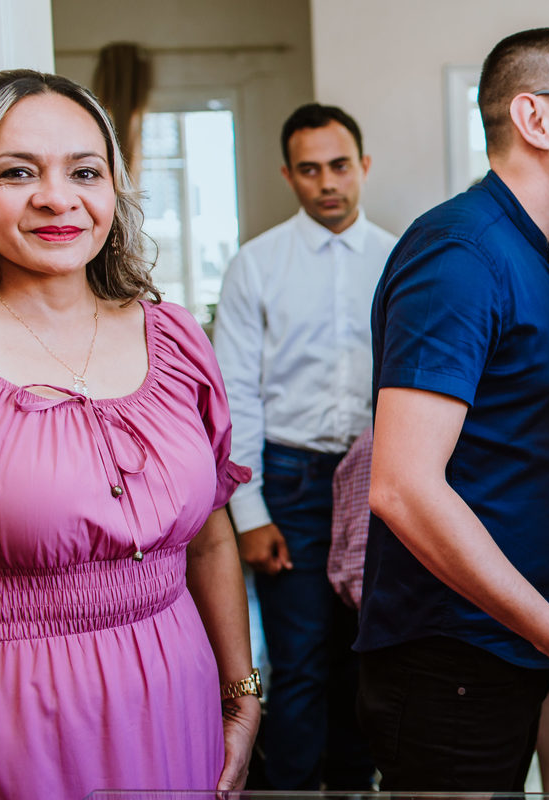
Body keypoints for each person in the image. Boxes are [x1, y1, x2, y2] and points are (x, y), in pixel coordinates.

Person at [357, 28, 549, 792]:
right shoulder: (461, 253)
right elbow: (403, 487)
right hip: (452, 656)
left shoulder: (525, 249)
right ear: (534, 118)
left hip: (498, 647)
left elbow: (507, 451)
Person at [0, 69, 258, 797]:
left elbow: (210, 536)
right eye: (17, 172)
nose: (57, 198)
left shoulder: (176, 338)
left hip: (177, 702)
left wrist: (242, 692)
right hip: (8, 725)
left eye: (84, 172)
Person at [212, 102, 394, 790]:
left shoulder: (400, 258)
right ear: (288, 175)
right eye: (310, 170)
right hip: (289, 482)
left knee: (366, 656)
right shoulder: (256, 265)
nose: (327, 182)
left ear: (363, 166)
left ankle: (352, 787)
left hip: (379, 479)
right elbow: (235, 396)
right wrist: (249, 513)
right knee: (299, 660)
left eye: (339, 166)